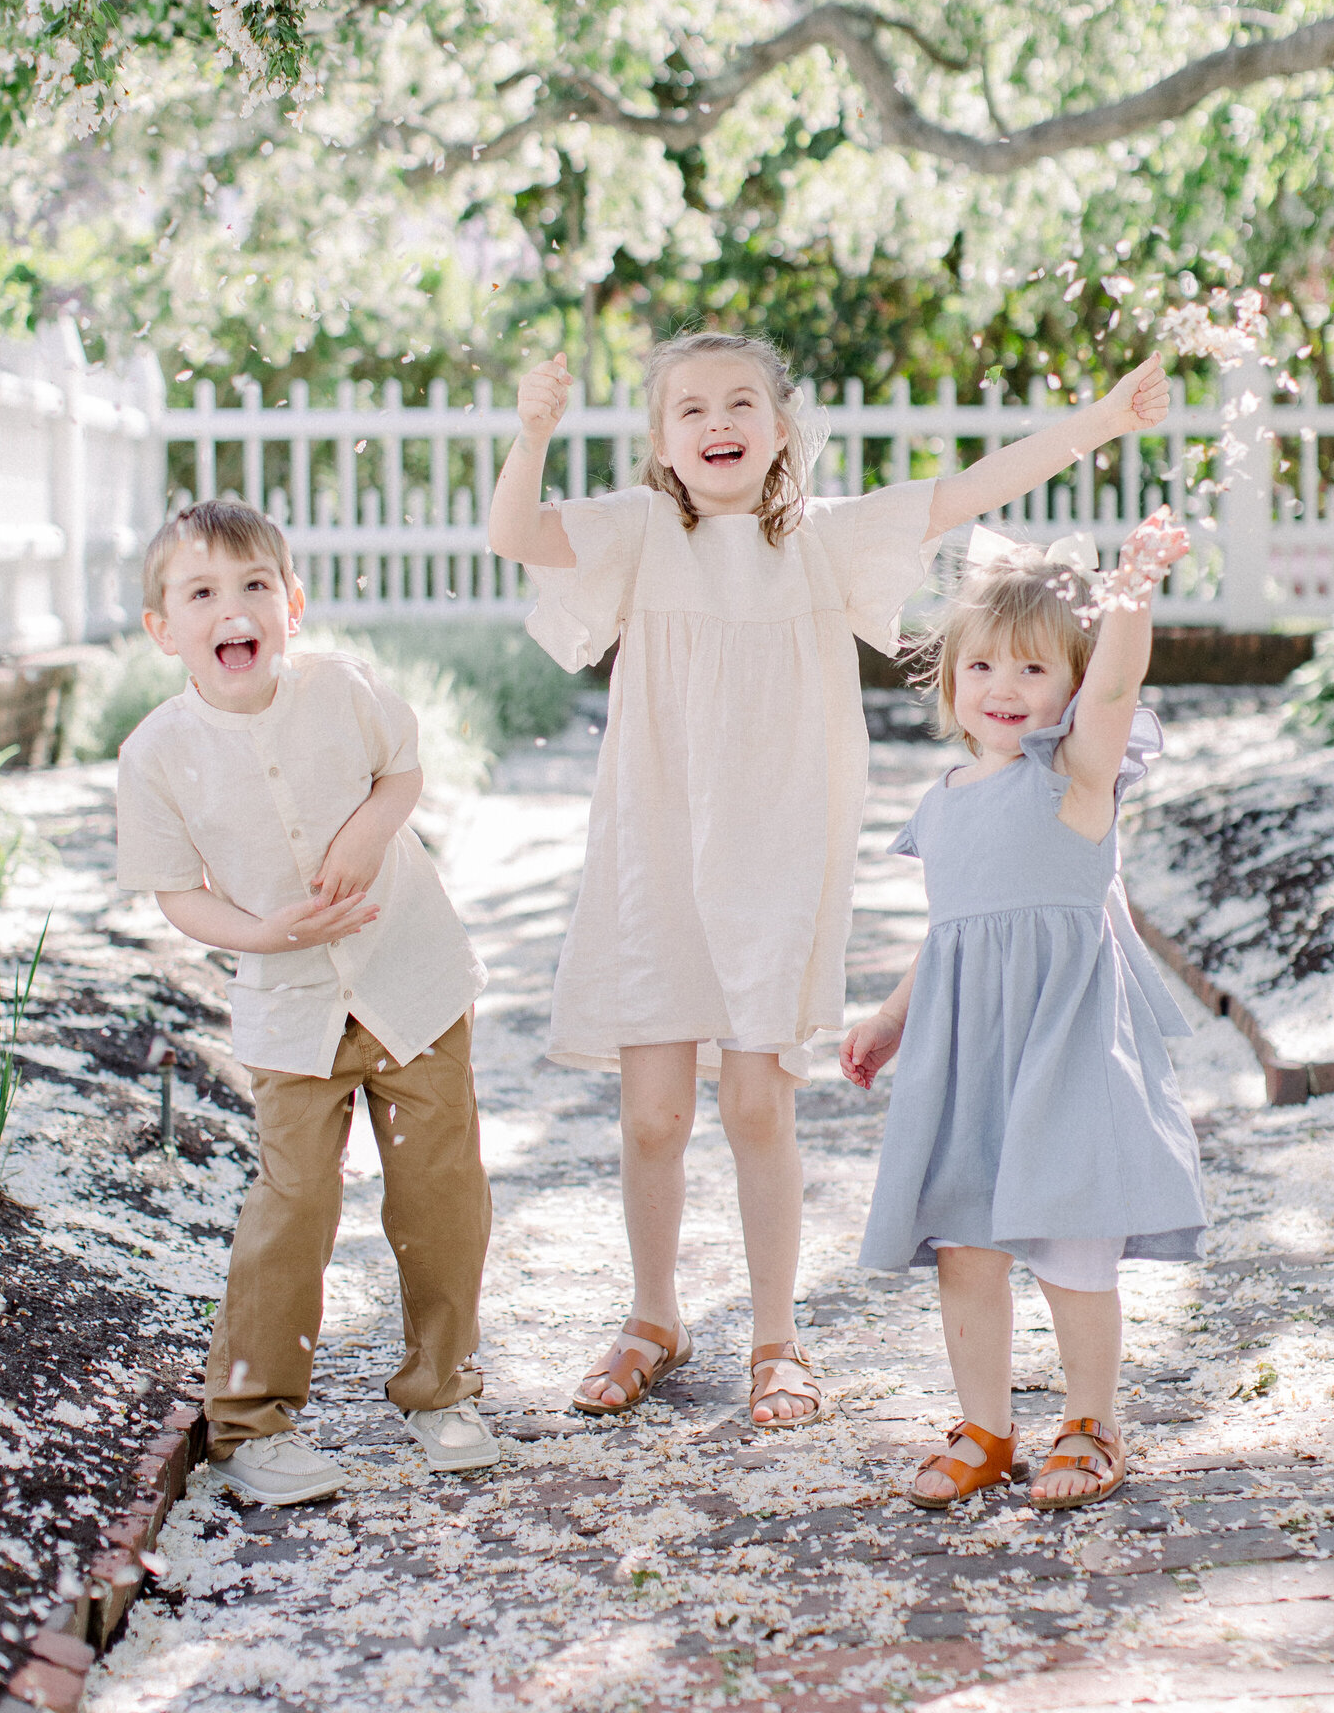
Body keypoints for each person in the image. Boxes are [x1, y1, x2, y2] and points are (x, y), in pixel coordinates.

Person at [488, 331, 1172, 1429]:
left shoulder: (823, 543)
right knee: (654, 1114)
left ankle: (776, 1336)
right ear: (662, 442)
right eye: (692, 409)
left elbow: (965, 492)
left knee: (759, 1102)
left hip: (774, 853)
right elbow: (514, 531)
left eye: (743, 402)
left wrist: (1102, 417)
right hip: (652, 851)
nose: (719, 422)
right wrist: (532, 431)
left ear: (781, 426)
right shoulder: (638, 532)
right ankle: (652, 1315)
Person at [115, 500, 494, 1505]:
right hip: (291, 1008)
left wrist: (371, 829)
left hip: (410, 979)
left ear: (291, 603)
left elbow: (400, 772)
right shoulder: (158, 754)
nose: (230, 609)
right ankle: (251, 1421)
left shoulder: (342, 689)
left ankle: (440, 1385)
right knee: (293, 1204)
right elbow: (177, 890)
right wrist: (263, 933)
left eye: (252, 588)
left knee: (439, 1191)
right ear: (164, 628)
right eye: (201, 593)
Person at [843, 512, 1207, 1511]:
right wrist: (889, 1017)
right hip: (965, 1050)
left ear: (1072, 691)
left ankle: (1091, 1421)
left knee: (1071, 1243)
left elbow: (1121, 685)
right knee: (965, 1247)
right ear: (949, 680)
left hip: (1061, 1041)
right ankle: (985, 1425)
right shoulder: (947, 797)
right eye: (982, 669)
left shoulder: (1074, 780)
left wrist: (1129, 595)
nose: (1003, 690)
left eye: (1034, 672)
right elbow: (956, 930)